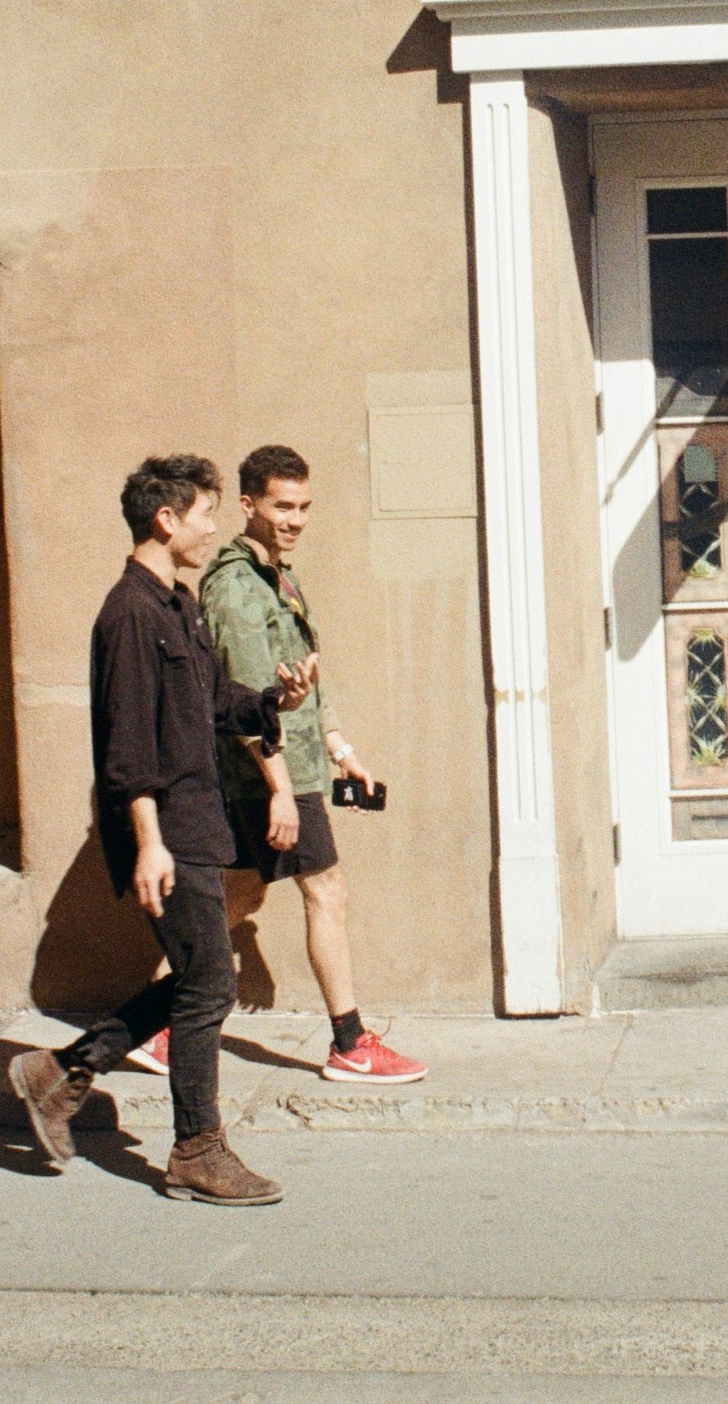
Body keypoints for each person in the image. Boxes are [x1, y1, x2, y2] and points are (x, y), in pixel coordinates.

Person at [9, 455, 315, 1206]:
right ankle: (195, 1150)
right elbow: (126, 748)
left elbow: (215, 702)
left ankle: (59, 1072)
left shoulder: (175, 605)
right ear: (166, 519)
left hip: (196, 821)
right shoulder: (128, 615)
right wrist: (148, 840)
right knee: (210, 984)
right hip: (166, 830)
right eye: (205, 514)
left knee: (201, 979)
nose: (213, 528)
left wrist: (272, 698)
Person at [196, 444, 426, 1083]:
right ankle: (350, 1042)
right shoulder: (237, 587)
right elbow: (248, 700)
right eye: (281, 506)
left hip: (289, 766)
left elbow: (303, 688)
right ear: (248, 505)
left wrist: (341, 753)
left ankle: (160, 1023)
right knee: (326, 889)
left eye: (303, 507)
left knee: (236, 897)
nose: (295, 519)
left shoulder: (277, 574)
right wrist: (278, 791)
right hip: (268, 773)